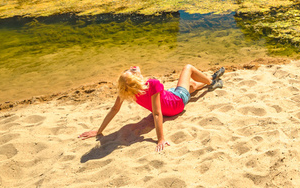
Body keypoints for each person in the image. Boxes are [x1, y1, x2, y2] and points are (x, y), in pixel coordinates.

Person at [79, 64, 225, 152]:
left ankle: (209, 80)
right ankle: (211, 81)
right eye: (132, 72)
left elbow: (114, 110)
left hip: (169, 96)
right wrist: (160, 139)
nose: (133, 69)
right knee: (188, 68)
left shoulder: (128, 91)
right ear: (137, 79)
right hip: (177, 102)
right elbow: (156, 113)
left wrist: (99, 131)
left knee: (191, 86)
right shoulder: (152, 84)